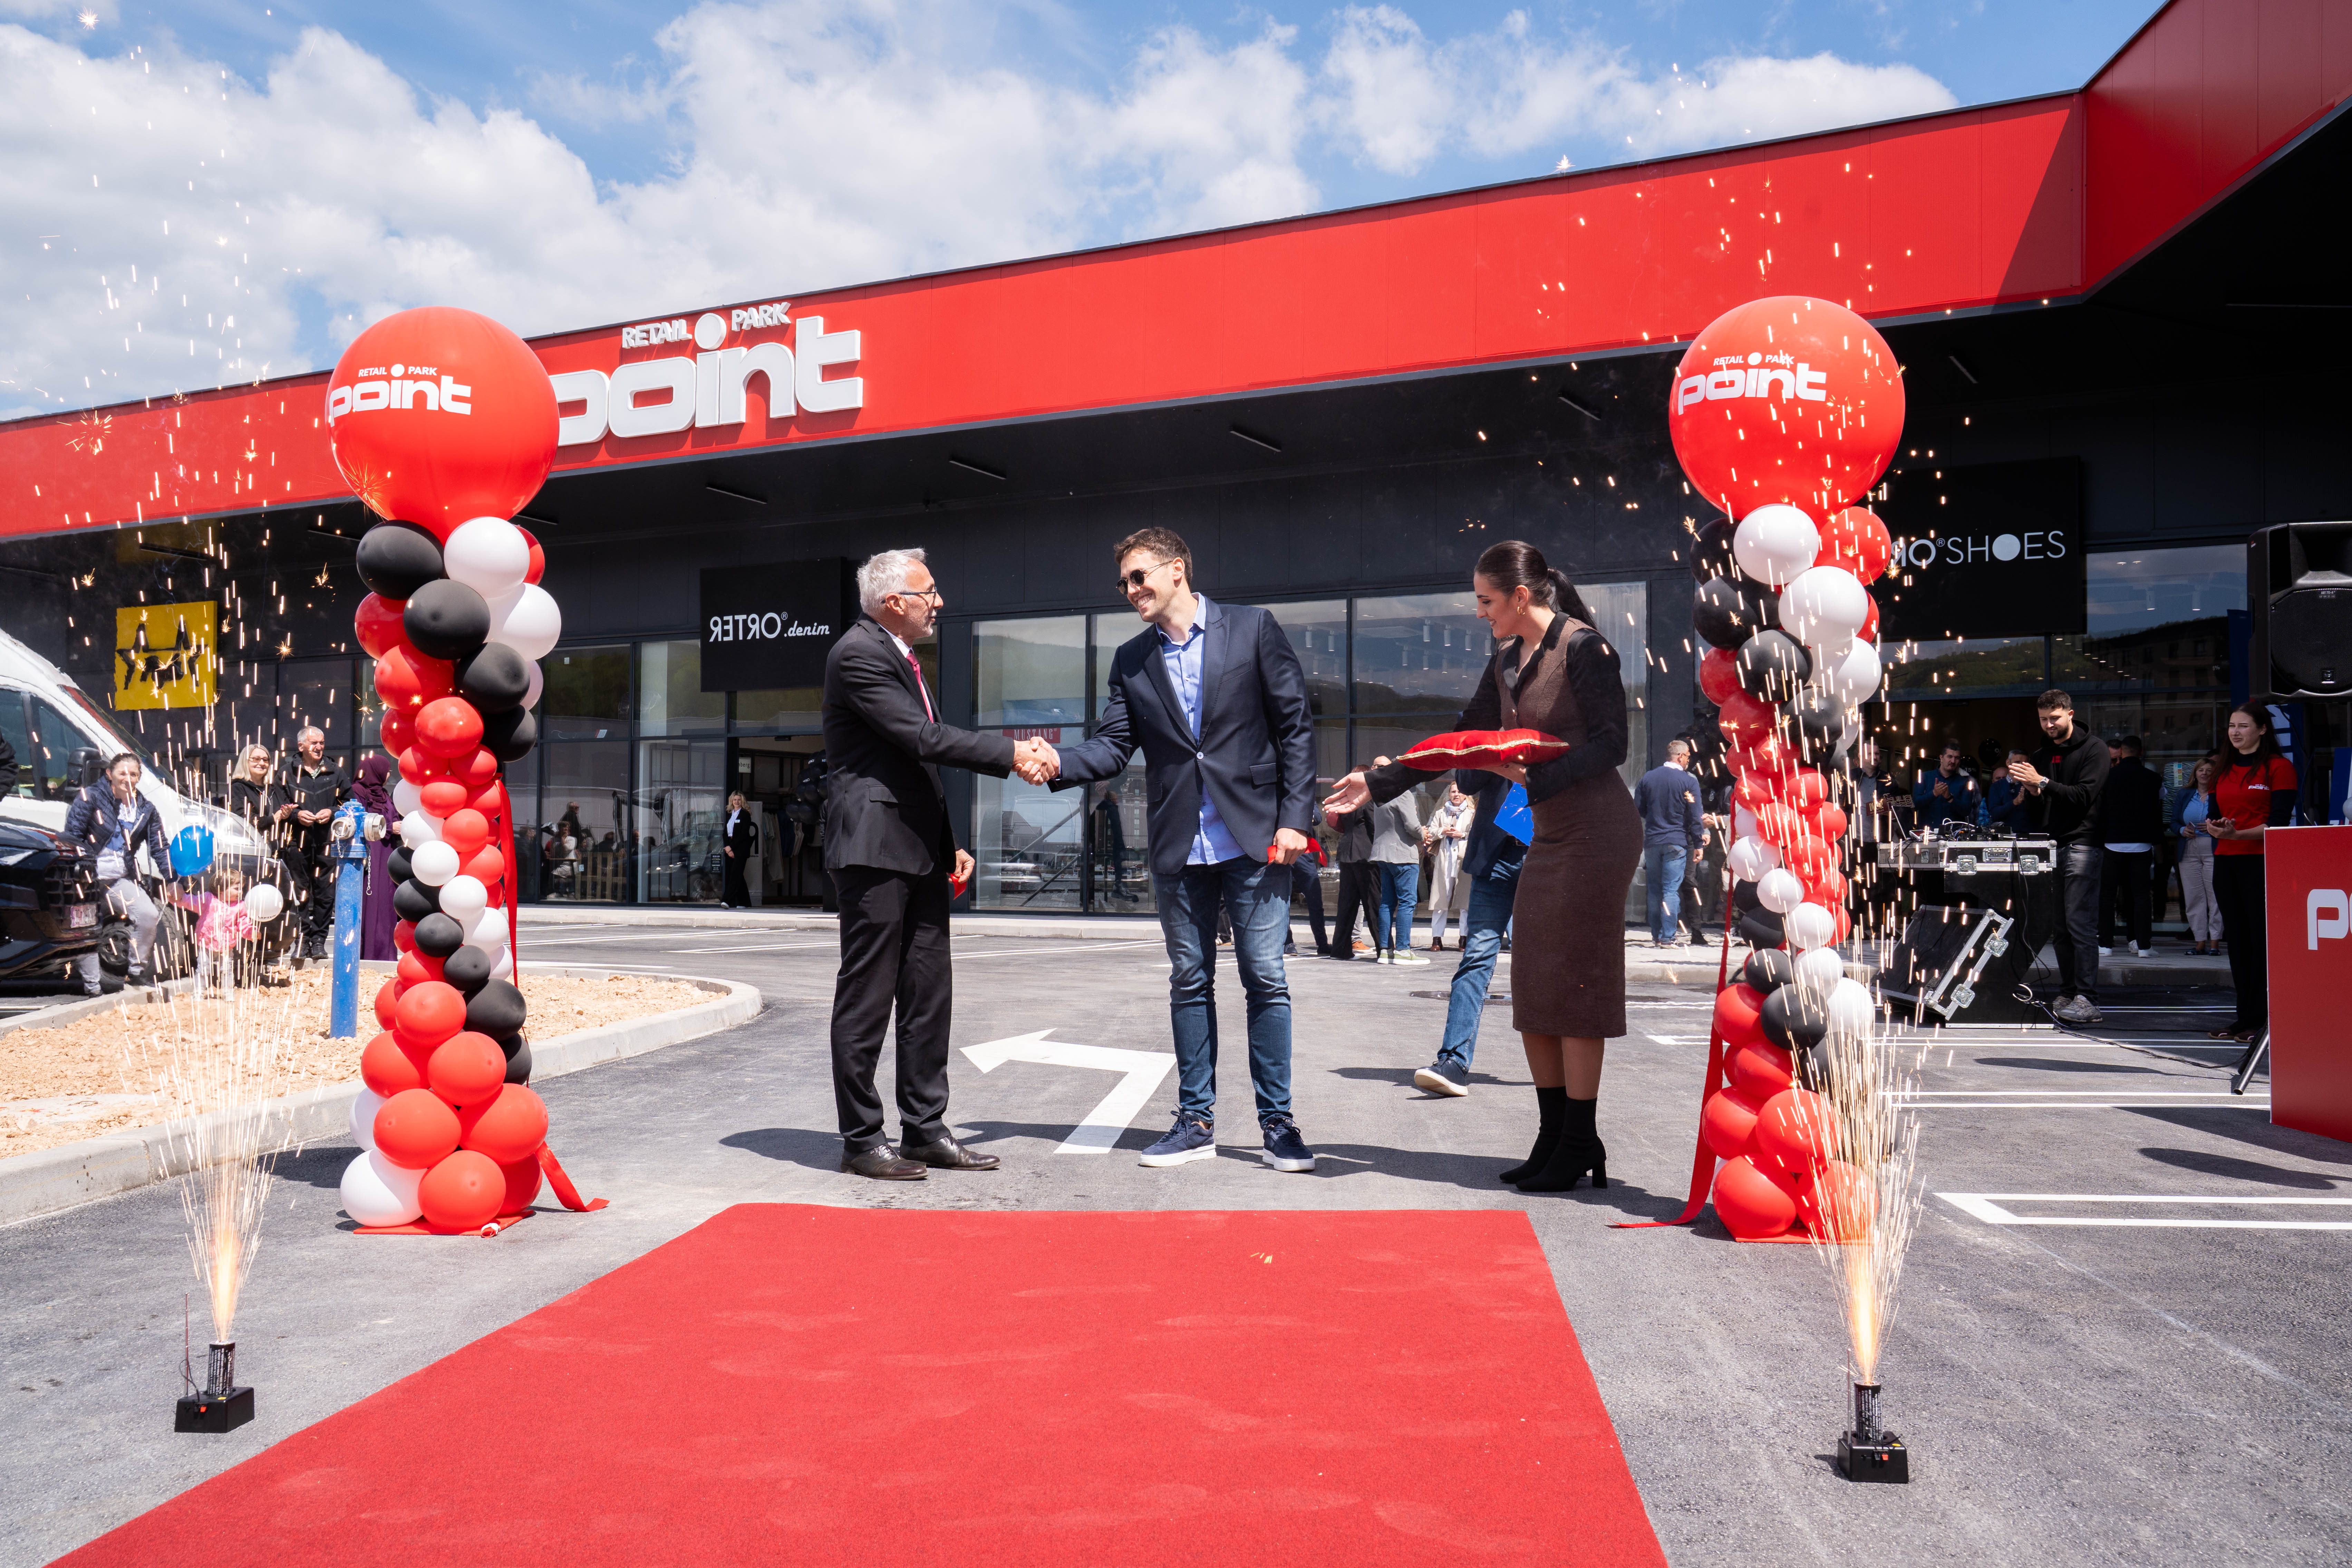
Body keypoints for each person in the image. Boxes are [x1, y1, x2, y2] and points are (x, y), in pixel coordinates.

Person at [1329, 540, 1640, 1191]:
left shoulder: (1585, 649)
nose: (1480, 613)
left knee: (1575, 988)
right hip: (1550, 835)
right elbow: (1459, 740)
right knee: (1533, 984)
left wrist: (1536, 776)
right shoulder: (1504, 661)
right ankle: (1554, 1135)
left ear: (1520, 597)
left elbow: (1614, 744)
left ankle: (1578, 1139)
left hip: (1596, 833)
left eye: (1486, 601)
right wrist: (1378, 779)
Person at [1045, 526, 1320, 1174]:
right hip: (1179, 844)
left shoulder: (1253, 629)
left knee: (1266, 980)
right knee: (1189, 981)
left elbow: (1295, 728)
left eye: (1139, 577)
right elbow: (1113, 746)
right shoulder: (1131, 658)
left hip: (1254, 838)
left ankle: (1277, 1125)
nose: (1130, 590)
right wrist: (1053, 761)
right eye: (1123, 583)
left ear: (1176, 569)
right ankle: (1195, 1122)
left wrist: (1293, 820)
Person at [822, 547, 1040, 1180]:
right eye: (929, 592)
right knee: (867, 998)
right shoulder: (860, 653)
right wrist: (1010, 752)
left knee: (927, 995)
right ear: (894, 602)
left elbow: (914, 766)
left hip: (914, 850)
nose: (939, 602)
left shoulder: (901, 657)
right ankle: (862, 1139)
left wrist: (947, 847)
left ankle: (923, 1129)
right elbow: (921, 740)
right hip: (872, 848)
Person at [1408, 764, 1528, 1097]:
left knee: (1549, 965)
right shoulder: (1500, 727)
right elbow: (1469, 778)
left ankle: (1567, 1064)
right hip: (1496, 858)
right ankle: (1453, 1062)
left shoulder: (1564, 723)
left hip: (1548, 855)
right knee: (1475, 960)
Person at [2006, 690, 2111, 1025]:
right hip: (2054, 844)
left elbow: (2083, 796)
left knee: (2080, 924)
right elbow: (2041, 812)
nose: (2049, 724)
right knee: (2061, 927)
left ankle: (2087, 998)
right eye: (2043, 719)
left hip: (2084, 842)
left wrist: (2043, 782)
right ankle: (2068, 991)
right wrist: (2035, 793)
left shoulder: (2095, 749)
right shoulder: (2040, 754)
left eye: (2055, 718)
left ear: (2070, 713)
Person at [2205, 704, 2297, 1043]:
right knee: (2239, 944)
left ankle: (2264, 1020)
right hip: (2227, 862)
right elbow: (2214, 817)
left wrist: (2238, 834)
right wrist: (2218, 828)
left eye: (2244, 726)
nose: (2235, 732)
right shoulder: (2222, 770)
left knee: (2261, 943)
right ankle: (2245, 1018)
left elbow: (2279, 823)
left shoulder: (2279, 768)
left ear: (2262, 730)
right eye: (2231, 726)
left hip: (2262, 862)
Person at [62, 753, 171, 997]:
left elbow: (160, 847)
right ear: (109, 774)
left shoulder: (145, 809)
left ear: (140, 778)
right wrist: (81, 868)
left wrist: (173, 879)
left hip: (119, 878)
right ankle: (93, 988)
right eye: (123, 773)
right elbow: (72, 837)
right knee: (88, 927)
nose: (128, 779)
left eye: (134, 774)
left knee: (147, 914)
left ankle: (136, 972)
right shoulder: (90, 797)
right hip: (87, 876)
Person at [282, 727, 349, 961]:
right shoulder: (287, 772)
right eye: (314, 743)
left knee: (325, 892)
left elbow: (349, 803)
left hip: (326, 841)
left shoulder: (335, 771)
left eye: (322, 743)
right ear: (301, 746)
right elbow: (279, 806)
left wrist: (332, 812)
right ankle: (302, 939)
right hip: (295, 841)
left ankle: (319, 941)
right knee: (300, 892)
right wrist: (296, 815)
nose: (319, 747)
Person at [1635, 738, 1706, 949]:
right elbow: (1695, 816)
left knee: (1655, 891)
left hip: (1653, 841)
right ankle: (1668, 938)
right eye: (1688, 758)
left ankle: (1657, 937)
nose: (1689, 762)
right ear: (1681, 756)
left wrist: (1656, 818)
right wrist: (1699, 844)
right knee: (1670, 891)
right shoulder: (1688, 781)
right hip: (1676, 842)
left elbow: (1639, 808)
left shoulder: (1648, 778)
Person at [2097, 735, 2162, 959]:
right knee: (2141, 897)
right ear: (2141, 752)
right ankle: (2143, 946)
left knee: (2106, 896)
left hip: (2111, 843)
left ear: (2122, 753)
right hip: (2141, 844)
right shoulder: (2153, 779)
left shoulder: (2107, 777)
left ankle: (2104, 944)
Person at [175, 863, 258, 994]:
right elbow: (193, 902)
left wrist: (250, 932)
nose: (241, 892)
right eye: (237, 889)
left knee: (227, 970)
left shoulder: (240, 906)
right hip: (207, 942)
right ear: (221, 890)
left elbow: (244, 923)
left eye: (241, 889)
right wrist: (179, 899)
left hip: (226, 946)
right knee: (203, 969)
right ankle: (199, 992)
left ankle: (227, 992)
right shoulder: (209, 899)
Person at [1370, 777, 1426, 965]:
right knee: (1406, 903)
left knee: (1387, 903)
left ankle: (1386, 951)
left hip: (1382, 854)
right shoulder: (1404, 795)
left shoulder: (1380, 796)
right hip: (1402, 854)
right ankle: (1403, 950)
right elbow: (1412, 826)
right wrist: (1423, 834)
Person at [352, 754, 401, 962]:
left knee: (386, 906)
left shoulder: (384, 794)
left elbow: (394, 816)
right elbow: (357, 822)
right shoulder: (357, 792)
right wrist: (390, 828)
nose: (389, 774)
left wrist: (398, 825)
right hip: (370, 856)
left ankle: (386, 956)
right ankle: (366, 955)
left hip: (387, 854)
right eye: (387, 769)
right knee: (370, 904)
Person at [2176, 754, 2221, 956]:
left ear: (2215, 775)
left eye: (2209, 771)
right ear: (2195, 773)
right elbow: (2173, 820)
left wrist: (2216, 826)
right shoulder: (2185, 794)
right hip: (2189, 849)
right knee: (2194, 899)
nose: (2204, 774)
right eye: (2201, 770)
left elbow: (2230, 819)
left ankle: (2215, 944)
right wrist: (2181, 831)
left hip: (2213, 848)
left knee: (2215, 898)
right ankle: (2199, 943)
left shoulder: (2220, 794)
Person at [1424, 784, 1474, 950]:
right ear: (1449, 795)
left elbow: (1476, 834)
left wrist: (1463, 835)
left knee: (1465, 901)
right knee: (1440, 900)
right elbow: (1430, 833)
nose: (1456, 794)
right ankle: (1437, 939)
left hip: (1463, 860)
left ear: (1466, 795)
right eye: (1453, 792)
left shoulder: (1472, 814)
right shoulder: (1441, 813)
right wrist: (1443, 831)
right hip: (1445, 860)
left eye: (1460, 792)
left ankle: (1464, 938)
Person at [1327, 791, 1377, 958]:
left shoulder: (1348, 801)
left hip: (1347, 852)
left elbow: (1340, 824)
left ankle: (1340, 949)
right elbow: (1374, 827)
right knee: (1373, 903)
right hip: (1364, 854)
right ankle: (1384, 948)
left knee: (1347, 905)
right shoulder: (1367, 801)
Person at [1912, 741, 1982, 830]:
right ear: (1941, 758)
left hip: (1954, 836)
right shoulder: (1924, 777)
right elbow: (1916, 804)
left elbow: (1966, 811)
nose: (1953, 761)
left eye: (1957, 758)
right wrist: (1934, 794)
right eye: (1950, 757)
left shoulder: (1966, 782)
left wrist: (1950, 798)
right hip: (1928, 835)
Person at [721, 791, 757, 908]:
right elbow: (725, 833)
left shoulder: (745, 815)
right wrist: (728, 848)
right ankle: (744, 902)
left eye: (739, 800)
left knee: (735, 876)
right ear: (732, 801)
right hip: (730, 848)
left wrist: (731, 847)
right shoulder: (729, 814)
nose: (737, 802)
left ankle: (727, 901)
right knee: (738, 876)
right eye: (735, 800)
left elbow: (743, 835)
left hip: (740, 849)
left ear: (743, 802)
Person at [1983, 749, 2034, 833]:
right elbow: (1994, 814)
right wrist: (2015, 802)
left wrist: (2030, 798)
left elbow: (2039, 813)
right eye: (2017, 762)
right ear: (2008, 763)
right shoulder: (1996, 786)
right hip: (2003, 837)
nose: (2021, 766)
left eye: (2025, 763)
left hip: (2028, 836)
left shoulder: (2032, 785)